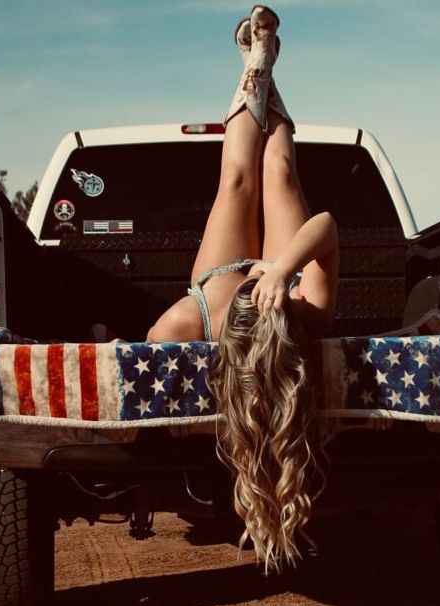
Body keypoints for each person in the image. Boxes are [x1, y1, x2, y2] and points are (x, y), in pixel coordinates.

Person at [147, 5, 339, 573]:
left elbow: (148, 342)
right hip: (291, 271)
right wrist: (280, 273)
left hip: (220, 290)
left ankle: (256, 64)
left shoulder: (196, 325)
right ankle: (265, 64)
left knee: (236, 179)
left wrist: (244, 287)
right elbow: (325, 225)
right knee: (279, 172)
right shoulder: (311, 313)